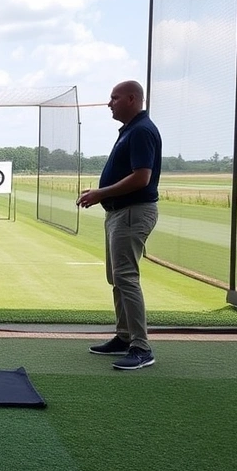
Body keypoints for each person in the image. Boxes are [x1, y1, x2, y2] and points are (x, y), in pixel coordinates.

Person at [76, 80, 162, 370]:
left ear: (131, 99)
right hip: (119, 213)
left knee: (126, 277)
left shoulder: (141, 131)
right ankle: (125, 337)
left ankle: (141, 347)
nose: (108, 103)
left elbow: (142, 177)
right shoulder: (131, 130)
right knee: (117, 278)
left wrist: (100, 193)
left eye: (114, 98)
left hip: (132, 212)